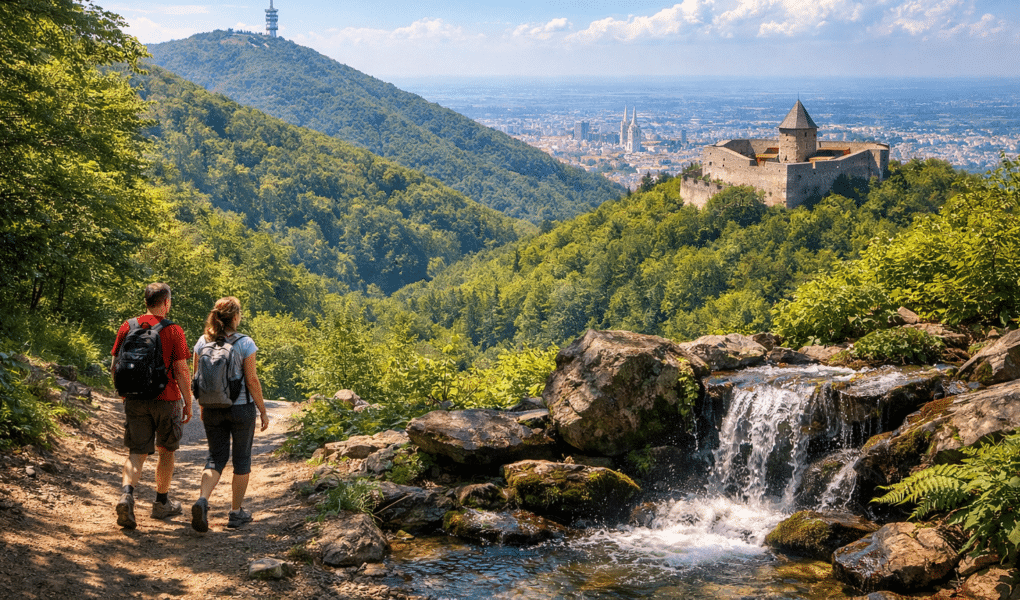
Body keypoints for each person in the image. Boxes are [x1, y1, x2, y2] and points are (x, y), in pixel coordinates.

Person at [111, 282, 193, 529]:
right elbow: (181, 371)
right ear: (166, 302)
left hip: (135, 399)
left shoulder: (128, 325)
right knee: (167, 451)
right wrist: (188, 402)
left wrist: (124, 391)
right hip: (166, 400)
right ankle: (161, 504)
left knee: (136, 453)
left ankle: (127, 495)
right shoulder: (174, 330)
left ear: (145, 302)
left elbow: (115, 362)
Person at [190, 296, 269, 532]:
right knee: (242, 459)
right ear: (235, 317)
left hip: (213, 409)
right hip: (241, 408)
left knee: (215, 458)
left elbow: (197, 379)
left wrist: (203, 407)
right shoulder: (245, 343)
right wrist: (263, 411)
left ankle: (203, 500)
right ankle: (235, 513)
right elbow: (252, 380)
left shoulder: (201, 342)